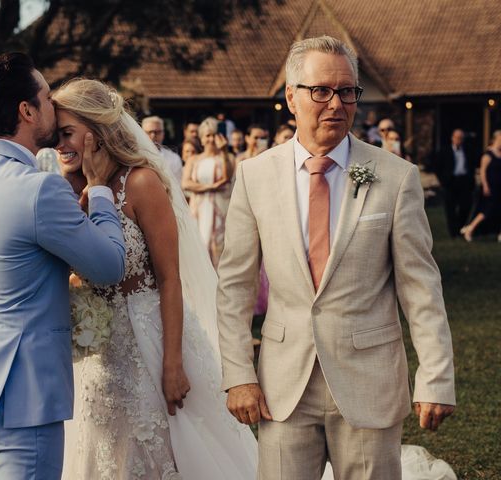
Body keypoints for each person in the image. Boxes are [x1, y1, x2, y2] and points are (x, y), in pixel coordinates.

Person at [217, 35, 455, 480]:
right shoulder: (254, 175)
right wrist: (237, 373)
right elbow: (234, 286)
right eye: (321, 90)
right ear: (291, 97)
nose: (336, 103)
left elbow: (421, 287)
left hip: (370, 381)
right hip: (282, 386)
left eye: (347, 91)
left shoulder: (396, 177)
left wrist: (436, 377)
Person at [52, 78, 257, 480]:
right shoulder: (66, 188)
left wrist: (173, 363)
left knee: (163, 445)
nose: (58, 145)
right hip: (99, 350)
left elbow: (170, 278)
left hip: (153, 337)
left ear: (97, 132)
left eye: (67, 133)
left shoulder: (141, 183)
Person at [0, 53, 125, 480]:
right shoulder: (38, 190)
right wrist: (98, 190)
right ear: (26, 111)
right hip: (23, 399)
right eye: (46, 98)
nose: (53, 107)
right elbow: (110, 266)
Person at [182, 117, 234, 267]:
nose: (211, 139)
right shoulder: (194, 159)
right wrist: (210, 187)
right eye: (207, 135)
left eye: (214, 135)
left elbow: (227, 178)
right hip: (199, 208)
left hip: (220, 207)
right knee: (200, 245)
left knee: (219, 246)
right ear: (201, 138)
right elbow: (186, 183)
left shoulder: (227, 157)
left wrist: (224, 151)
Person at [460, 129, 501, 242]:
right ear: (496, 139)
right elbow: (483, 171)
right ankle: (470, 228)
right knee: (486, 210)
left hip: (499, 186)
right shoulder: (488, 154)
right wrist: (485, 186)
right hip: (491, 186)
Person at [437, 129, 476, 237]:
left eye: (461, 138)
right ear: (452, 138)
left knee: (466, 206)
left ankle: (460, 226)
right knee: (450, 208)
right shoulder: (445, 151)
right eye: (457, 137)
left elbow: (472, 165)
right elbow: (438, 166)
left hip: (464, 181)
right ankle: (453, 232)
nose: (459, 140)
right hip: (450, 182)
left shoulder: (468, 150)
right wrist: (442, 180)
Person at [142, 115, 183, 184]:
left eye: (157, 132)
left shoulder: (174, 158)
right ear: (142, 133)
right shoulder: (135, 155)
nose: (153, 136)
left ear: (163, 134)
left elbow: (177, 184)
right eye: (149, 132)